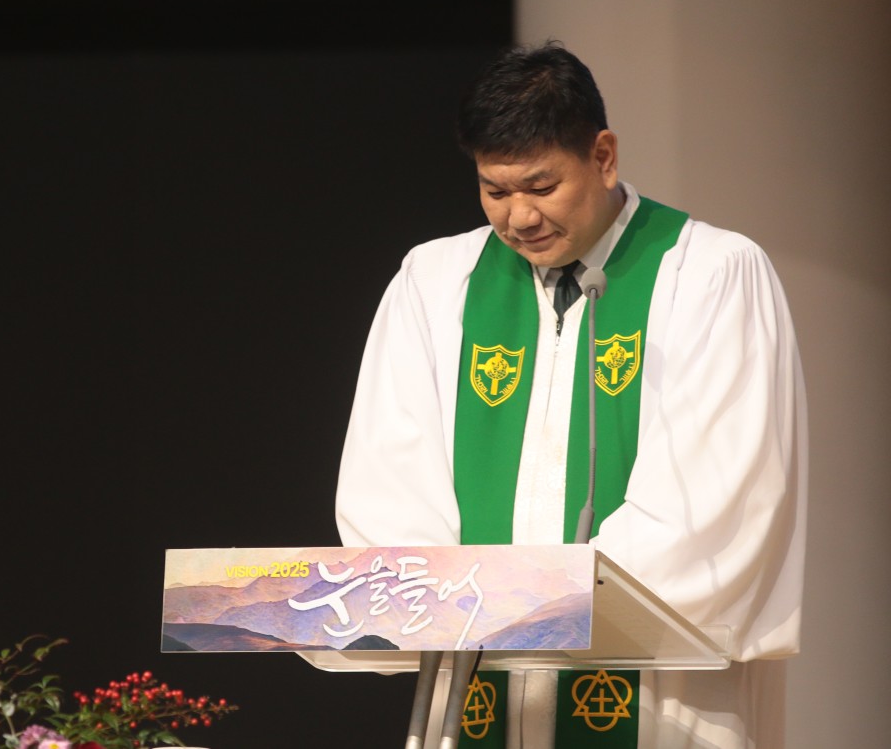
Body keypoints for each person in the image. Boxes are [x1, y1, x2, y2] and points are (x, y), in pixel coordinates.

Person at [334, 42, 806, 748]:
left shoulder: (709, 275)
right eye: (496, 191)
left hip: (651, 701)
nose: (520, 217)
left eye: (541, 186)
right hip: (474, 694)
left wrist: (528, 604)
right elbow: (387, 489)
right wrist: (459, 599)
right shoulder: (434, 284)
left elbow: (714, 505)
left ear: (603, 157)